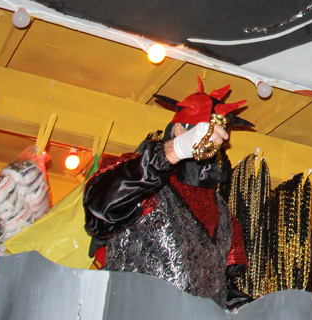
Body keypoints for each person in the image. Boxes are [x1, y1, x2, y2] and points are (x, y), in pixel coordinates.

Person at [83, 78, 251, 309]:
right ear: (181, 129)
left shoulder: (222, 213)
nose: (214, 146)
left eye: (218, 138)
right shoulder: (142, 178)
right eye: (207, 133)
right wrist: (176, 150)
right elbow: (99, 209)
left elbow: (215, 287)